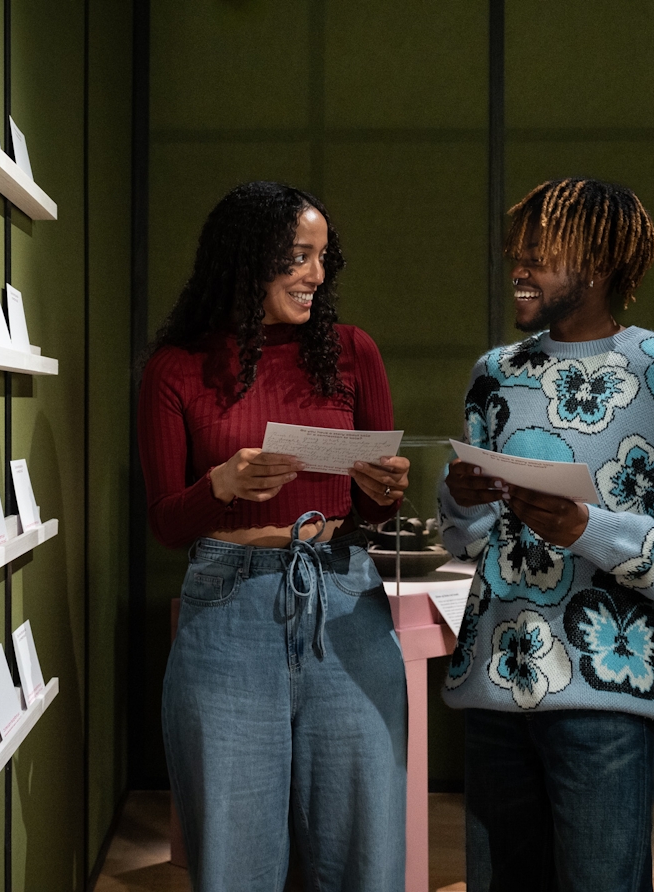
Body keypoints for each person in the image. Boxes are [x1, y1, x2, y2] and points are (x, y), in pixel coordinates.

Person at [439, 178, 654, 892]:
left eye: (540, 255)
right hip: (494, 685)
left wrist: (583, 527)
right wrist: (462, 498)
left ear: (599, 264)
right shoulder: (497, 374)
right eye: (518, 252)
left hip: (607, 697)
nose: (519, 267)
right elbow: (463, 542)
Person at [138, 181, 410, 892]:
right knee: (236, 853)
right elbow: (166, 521)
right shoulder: (176, 368)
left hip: (345, 597)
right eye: (297, 256)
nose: (316, 275)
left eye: (324, 258)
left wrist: (382, 495)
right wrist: (219, 487)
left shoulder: (354, 353)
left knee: (364, 845)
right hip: (228, 609)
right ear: (244, 260)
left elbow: (371, 506)